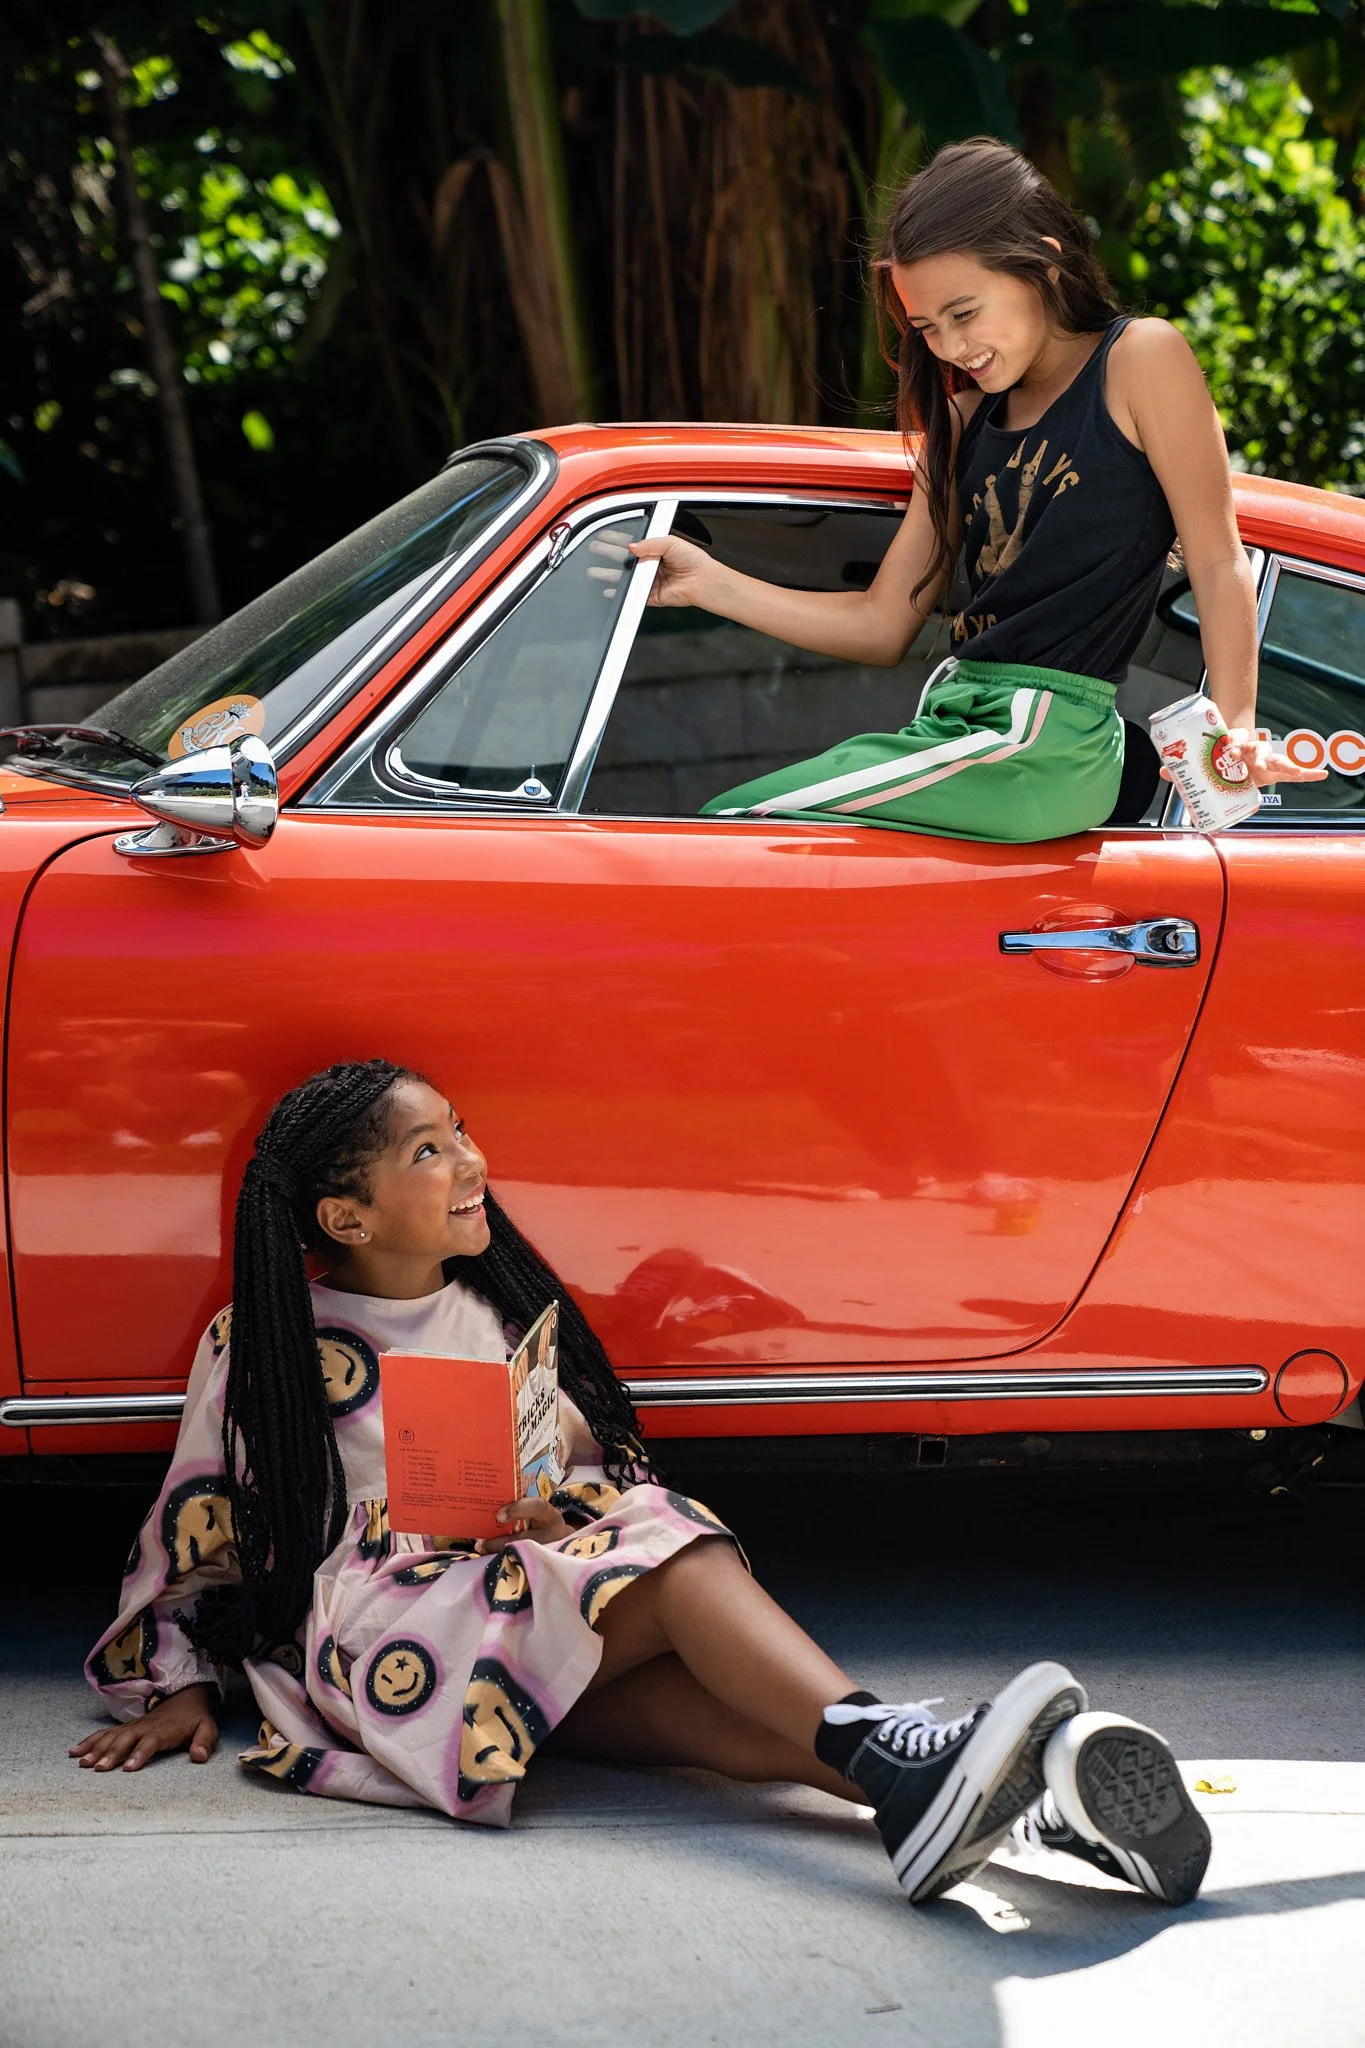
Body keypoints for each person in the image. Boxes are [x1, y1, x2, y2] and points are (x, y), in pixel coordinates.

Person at [75, 1058, 1210, 1907]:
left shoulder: (492, 1311)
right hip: (387, 1632)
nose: (471, 1160)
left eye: (462, 1130)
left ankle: (986, 1789)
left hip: (510, 1602)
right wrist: (173, 1677)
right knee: (672, 1542)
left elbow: (578, 1455)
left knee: (713, 1714)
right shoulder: (270, 1340)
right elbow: (194, 1522)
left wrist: (539, 1467)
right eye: (428, 1150)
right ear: (344, 1214)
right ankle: (923, 1748)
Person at [629, 137, 1325, 837]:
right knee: (744, 844)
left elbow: (1214, 555)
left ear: (1044, 265)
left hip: (1044, 742)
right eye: (926, 328)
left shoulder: (1139, 359)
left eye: (964, 314)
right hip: (953, 726)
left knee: (737, 826)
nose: (948, 348)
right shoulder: (963, 421)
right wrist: (707, 584)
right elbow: (880, 626)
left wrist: (1236, 726)